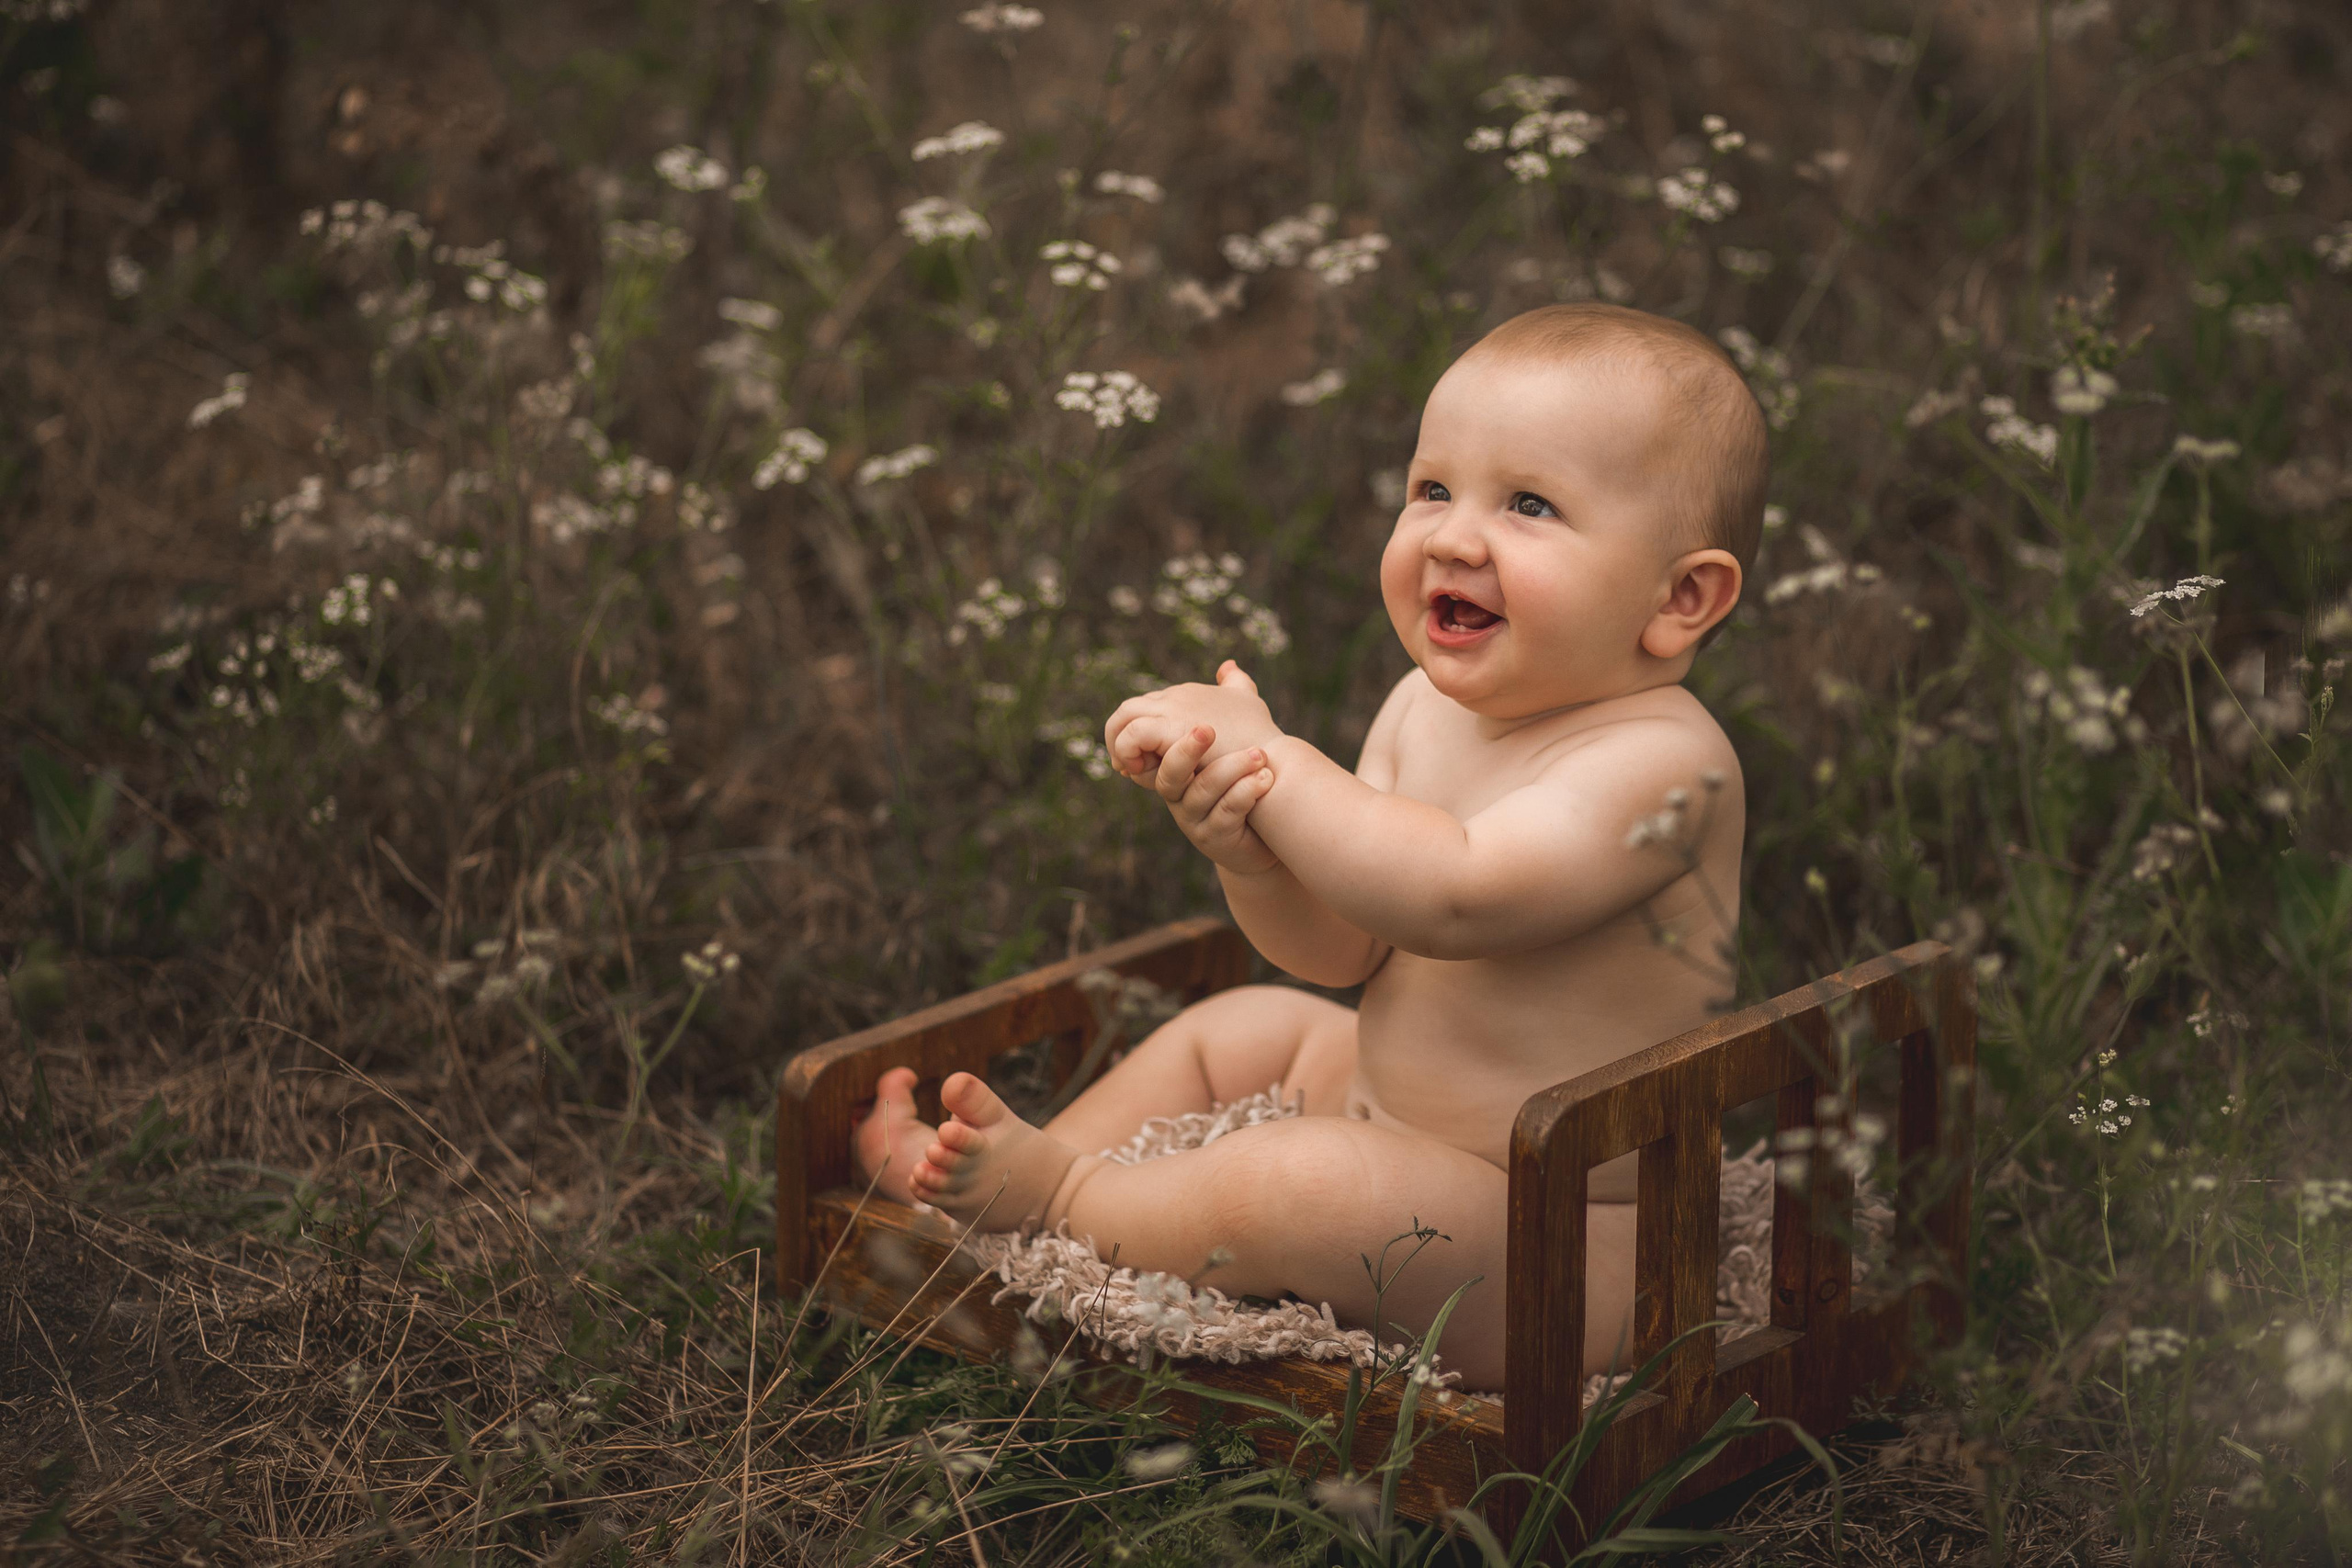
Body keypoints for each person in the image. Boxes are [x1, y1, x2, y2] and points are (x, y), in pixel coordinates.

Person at [853, 302, 1767, 1390]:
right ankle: (1002, 1167)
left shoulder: (1662, 763)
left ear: (1680, 597)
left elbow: (1454, 895)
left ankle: (1062, 1201)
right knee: (1245, 1027)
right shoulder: (1422, 707)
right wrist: (1252, 852)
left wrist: (1276, 761)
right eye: (1433, 489)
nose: (1452, 537)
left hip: (1561, 1241)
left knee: (1308, 1184)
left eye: (1529, 504)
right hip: (1396, 1120)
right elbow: (1345, 949)